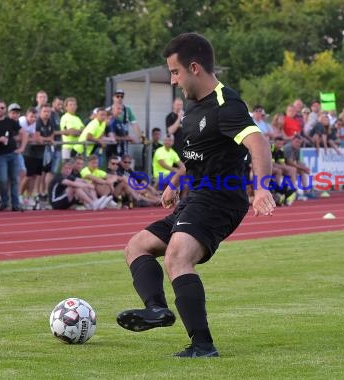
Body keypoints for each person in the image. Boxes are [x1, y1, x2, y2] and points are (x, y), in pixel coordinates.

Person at [116, 32, 275, 358]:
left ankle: (202, 345)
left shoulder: (226, 104)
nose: (173, 81)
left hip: (221, 199)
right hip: (196, 198)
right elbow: (197, 158)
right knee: (136, 247)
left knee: (177, 255)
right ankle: (157, 309)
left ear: (194, 67)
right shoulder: (192, 110)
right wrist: (175, 181)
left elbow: (259, 143)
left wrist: (262, 189)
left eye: (175, 72)